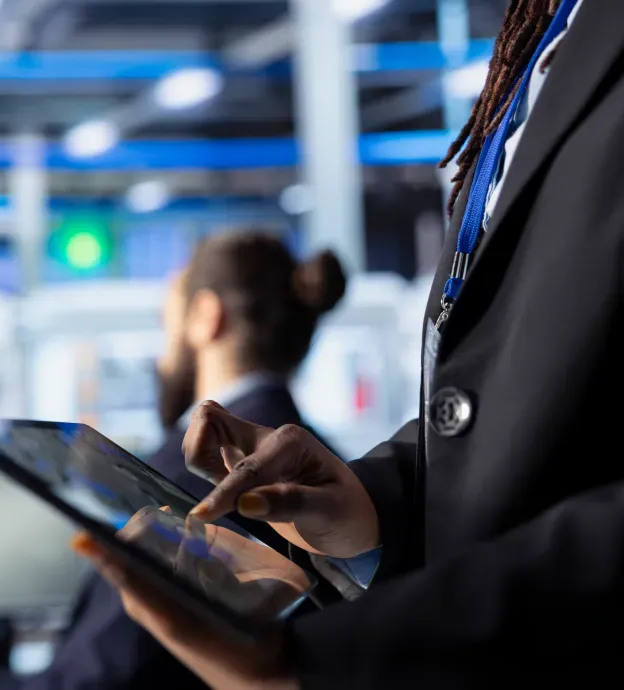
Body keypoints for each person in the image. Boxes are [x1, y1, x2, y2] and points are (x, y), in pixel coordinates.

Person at [74, 0, 624, 687]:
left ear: (205, 317)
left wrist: (327, 663)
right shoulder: (545, 35)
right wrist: (379, 507)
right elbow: (525, 397)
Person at [0, 232, 347, 690]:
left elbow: (99, 681)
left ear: (204, 318)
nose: (161, 354)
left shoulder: (196, 471)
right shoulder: (323, 461)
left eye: (165, 323)